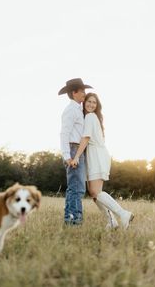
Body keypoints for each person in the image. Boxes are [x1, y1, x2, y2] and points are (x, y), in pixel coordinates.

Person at [71, 92, 134, 229]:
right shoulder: (90, 117)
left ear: (97, 105)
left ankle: (123, 214)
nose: (91, 104)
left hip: (97, 156)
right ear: (84, 102)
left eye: (94, 102)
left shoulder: (90, 117)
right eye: (89, 101)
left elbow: (86, 138)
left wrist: (76, 156)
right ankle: (112, 222)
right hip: (94, 156)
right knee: (94, 193)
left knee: (95, 191)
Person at [58, 78, 93, 225]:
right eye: (82, 91)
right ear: (74, 93)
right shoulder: (71, 110)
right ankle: (72, 220)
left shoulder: (78, 109)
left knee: (78, 189)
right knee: (75, 188)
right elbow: (64, 134)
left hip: (77, 150)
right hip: (72, 150)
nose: (85, 94)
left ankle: (75, 220)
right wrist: (67, 156)